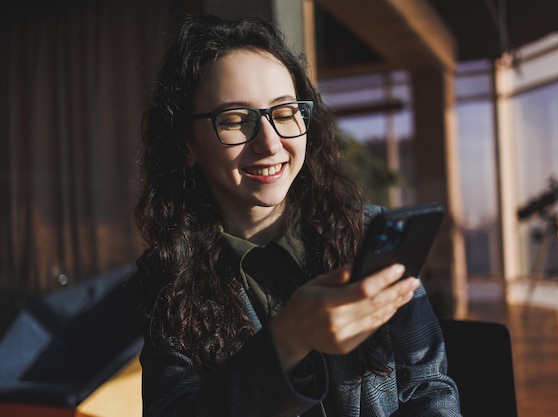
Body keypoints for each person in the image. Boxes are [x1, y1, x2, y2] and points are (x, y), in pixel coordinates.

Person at [135, 13, 461, 417]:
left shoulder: (365, 235)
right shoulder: (170, 276)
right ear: (187, 145)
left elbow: (429, 388)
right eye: (236, 121)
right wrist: (288, 339)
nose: (270, 144)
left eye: (285, 113)